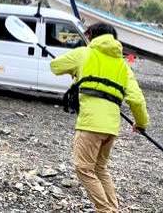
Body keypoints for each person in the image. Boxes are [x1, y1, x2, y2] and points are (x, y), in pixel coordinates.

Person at [50, 22, 150, 213]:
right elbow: (136, 99)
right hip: (111, 127)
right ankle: (112, 208)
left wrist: (76, 71)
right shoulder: (123, 64)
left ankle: (105, 210)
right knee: (99, 169)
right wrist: (141, 123)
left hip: (90, 124)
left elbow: (55, 66)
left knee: (83, 168)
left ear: (92, 36)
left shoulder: (83, 53)